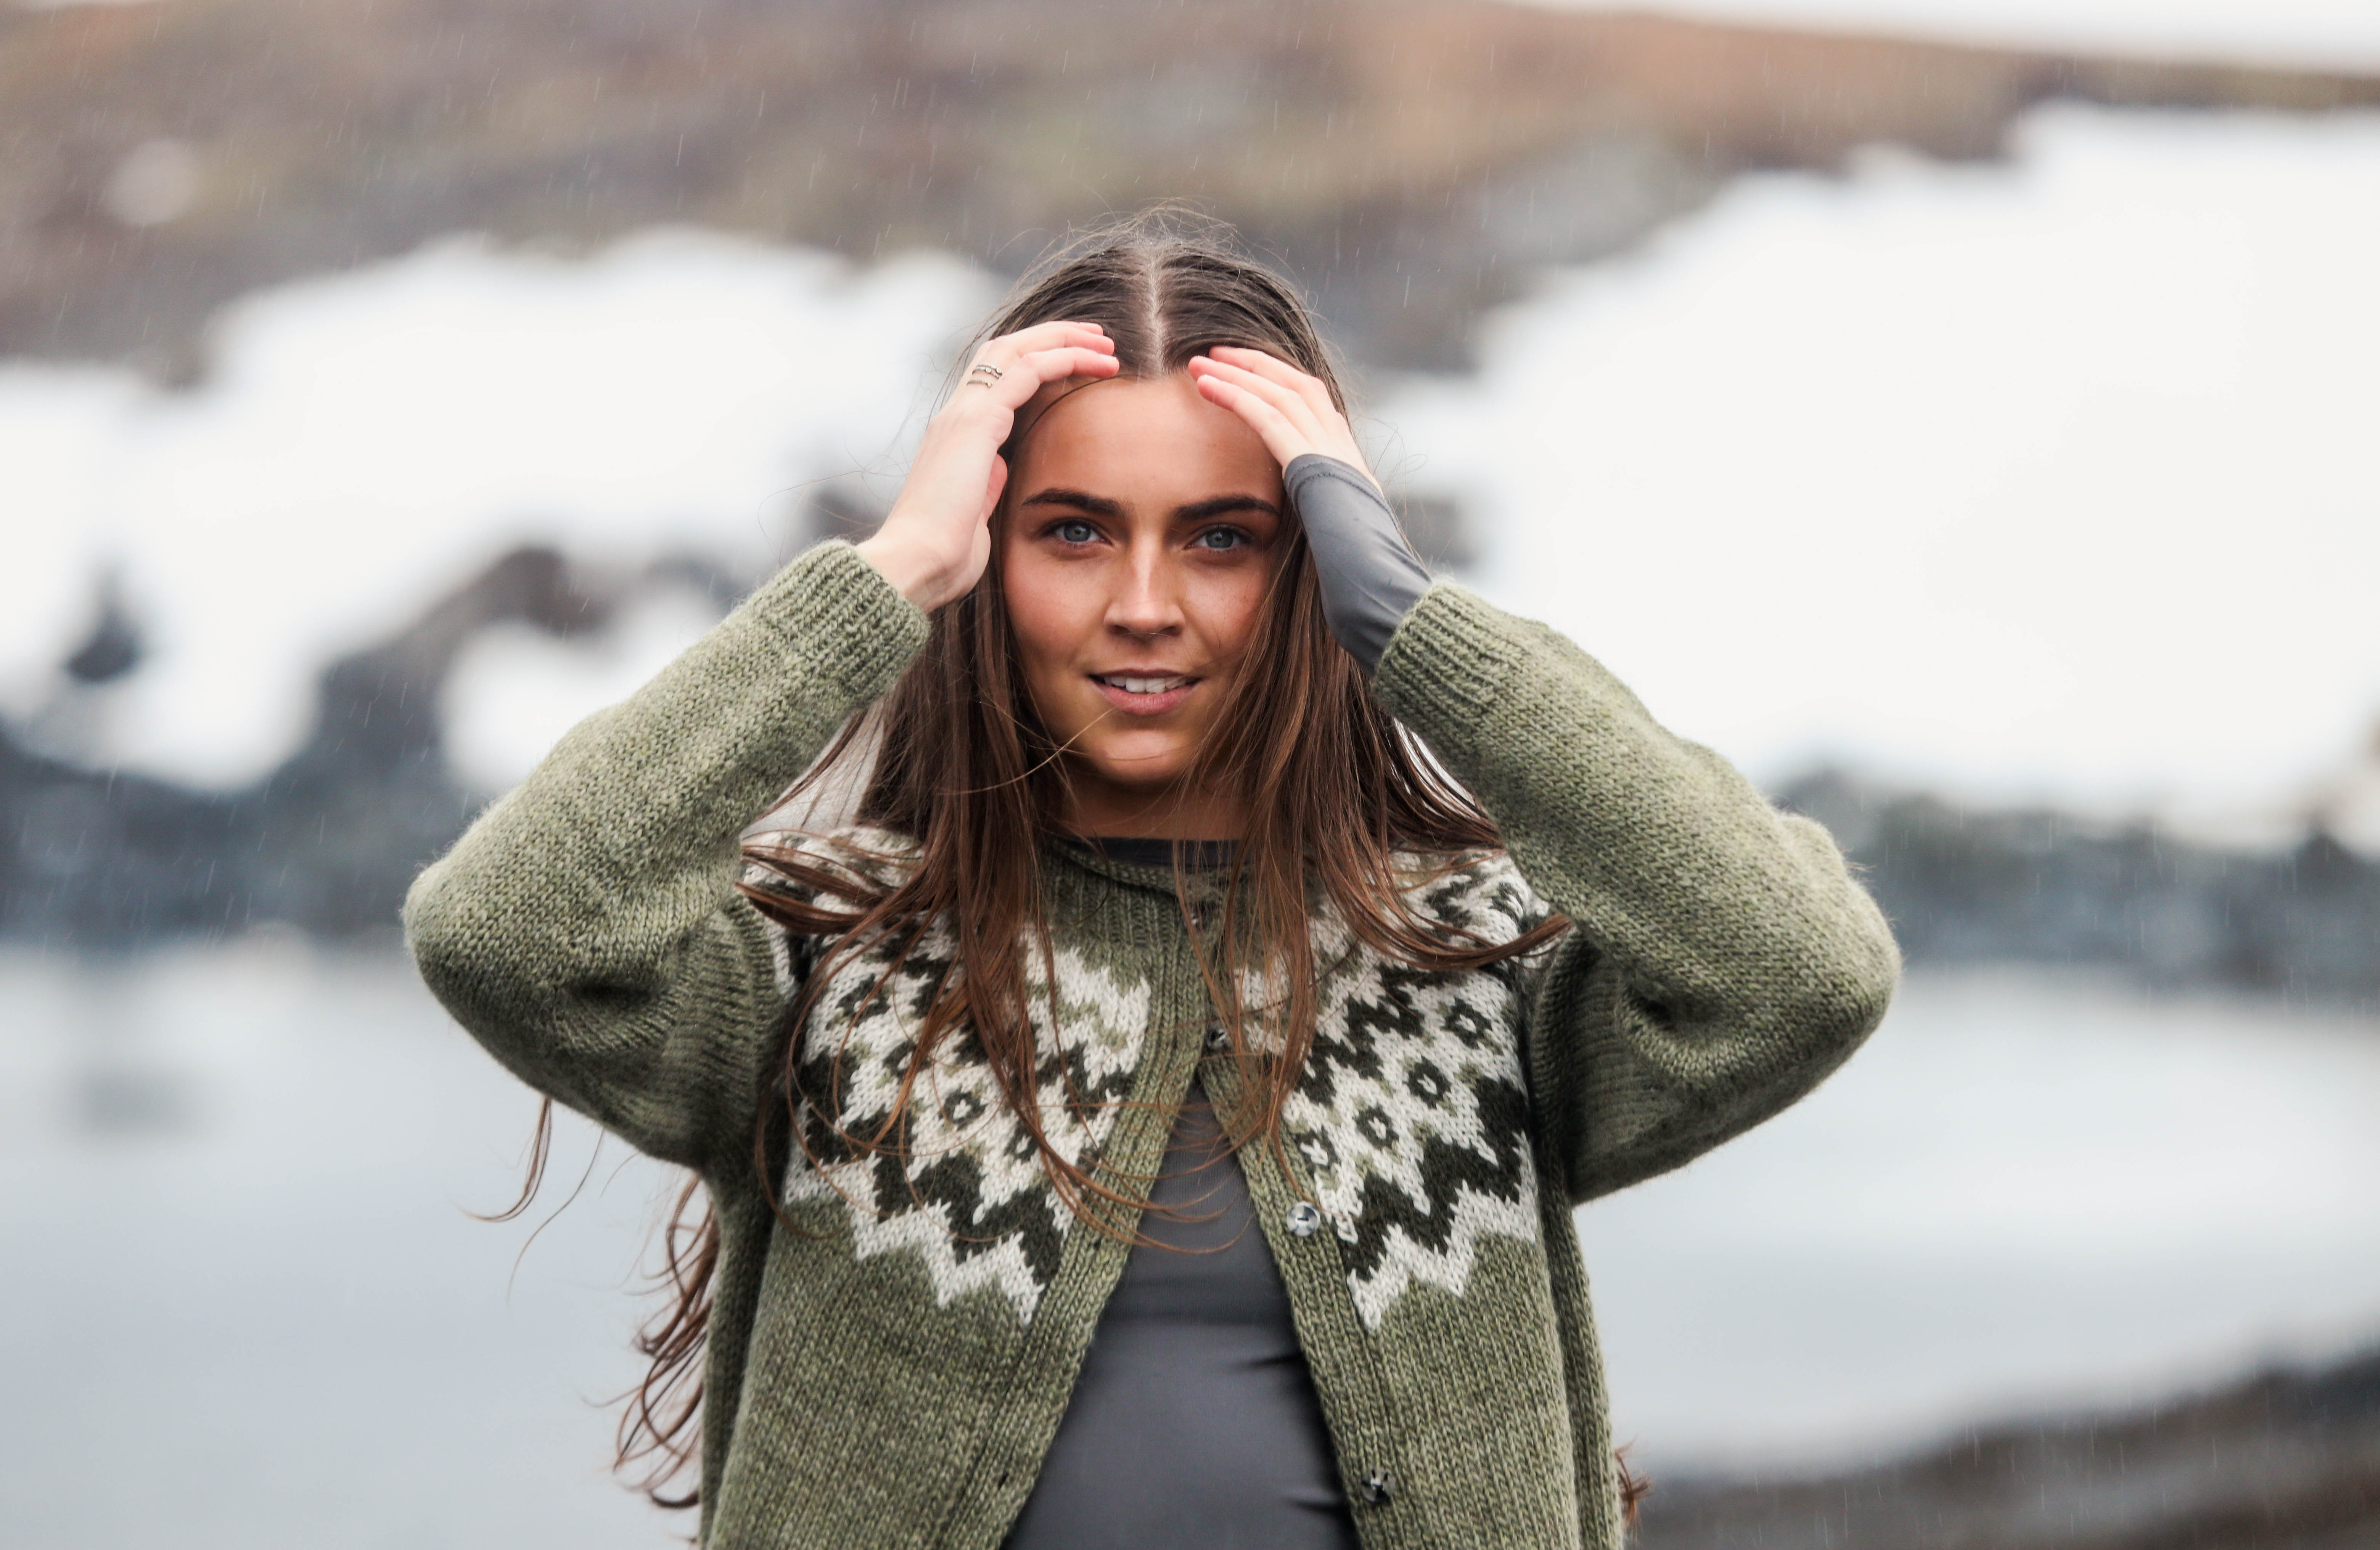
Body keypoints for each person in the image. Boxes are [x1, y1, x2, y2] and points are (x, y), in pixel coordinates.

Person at [404, 211, 1900, 1550]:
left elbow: (1801, 967)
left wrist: (1421, 626)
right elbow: (510, 925)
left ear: (1310, 563)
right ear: (989, 553)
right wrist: (883, 578)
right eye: (1071, 530)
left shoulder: (1469, 963)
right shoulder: (829, 953)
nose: (1142, 606)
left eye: (1225, 538)